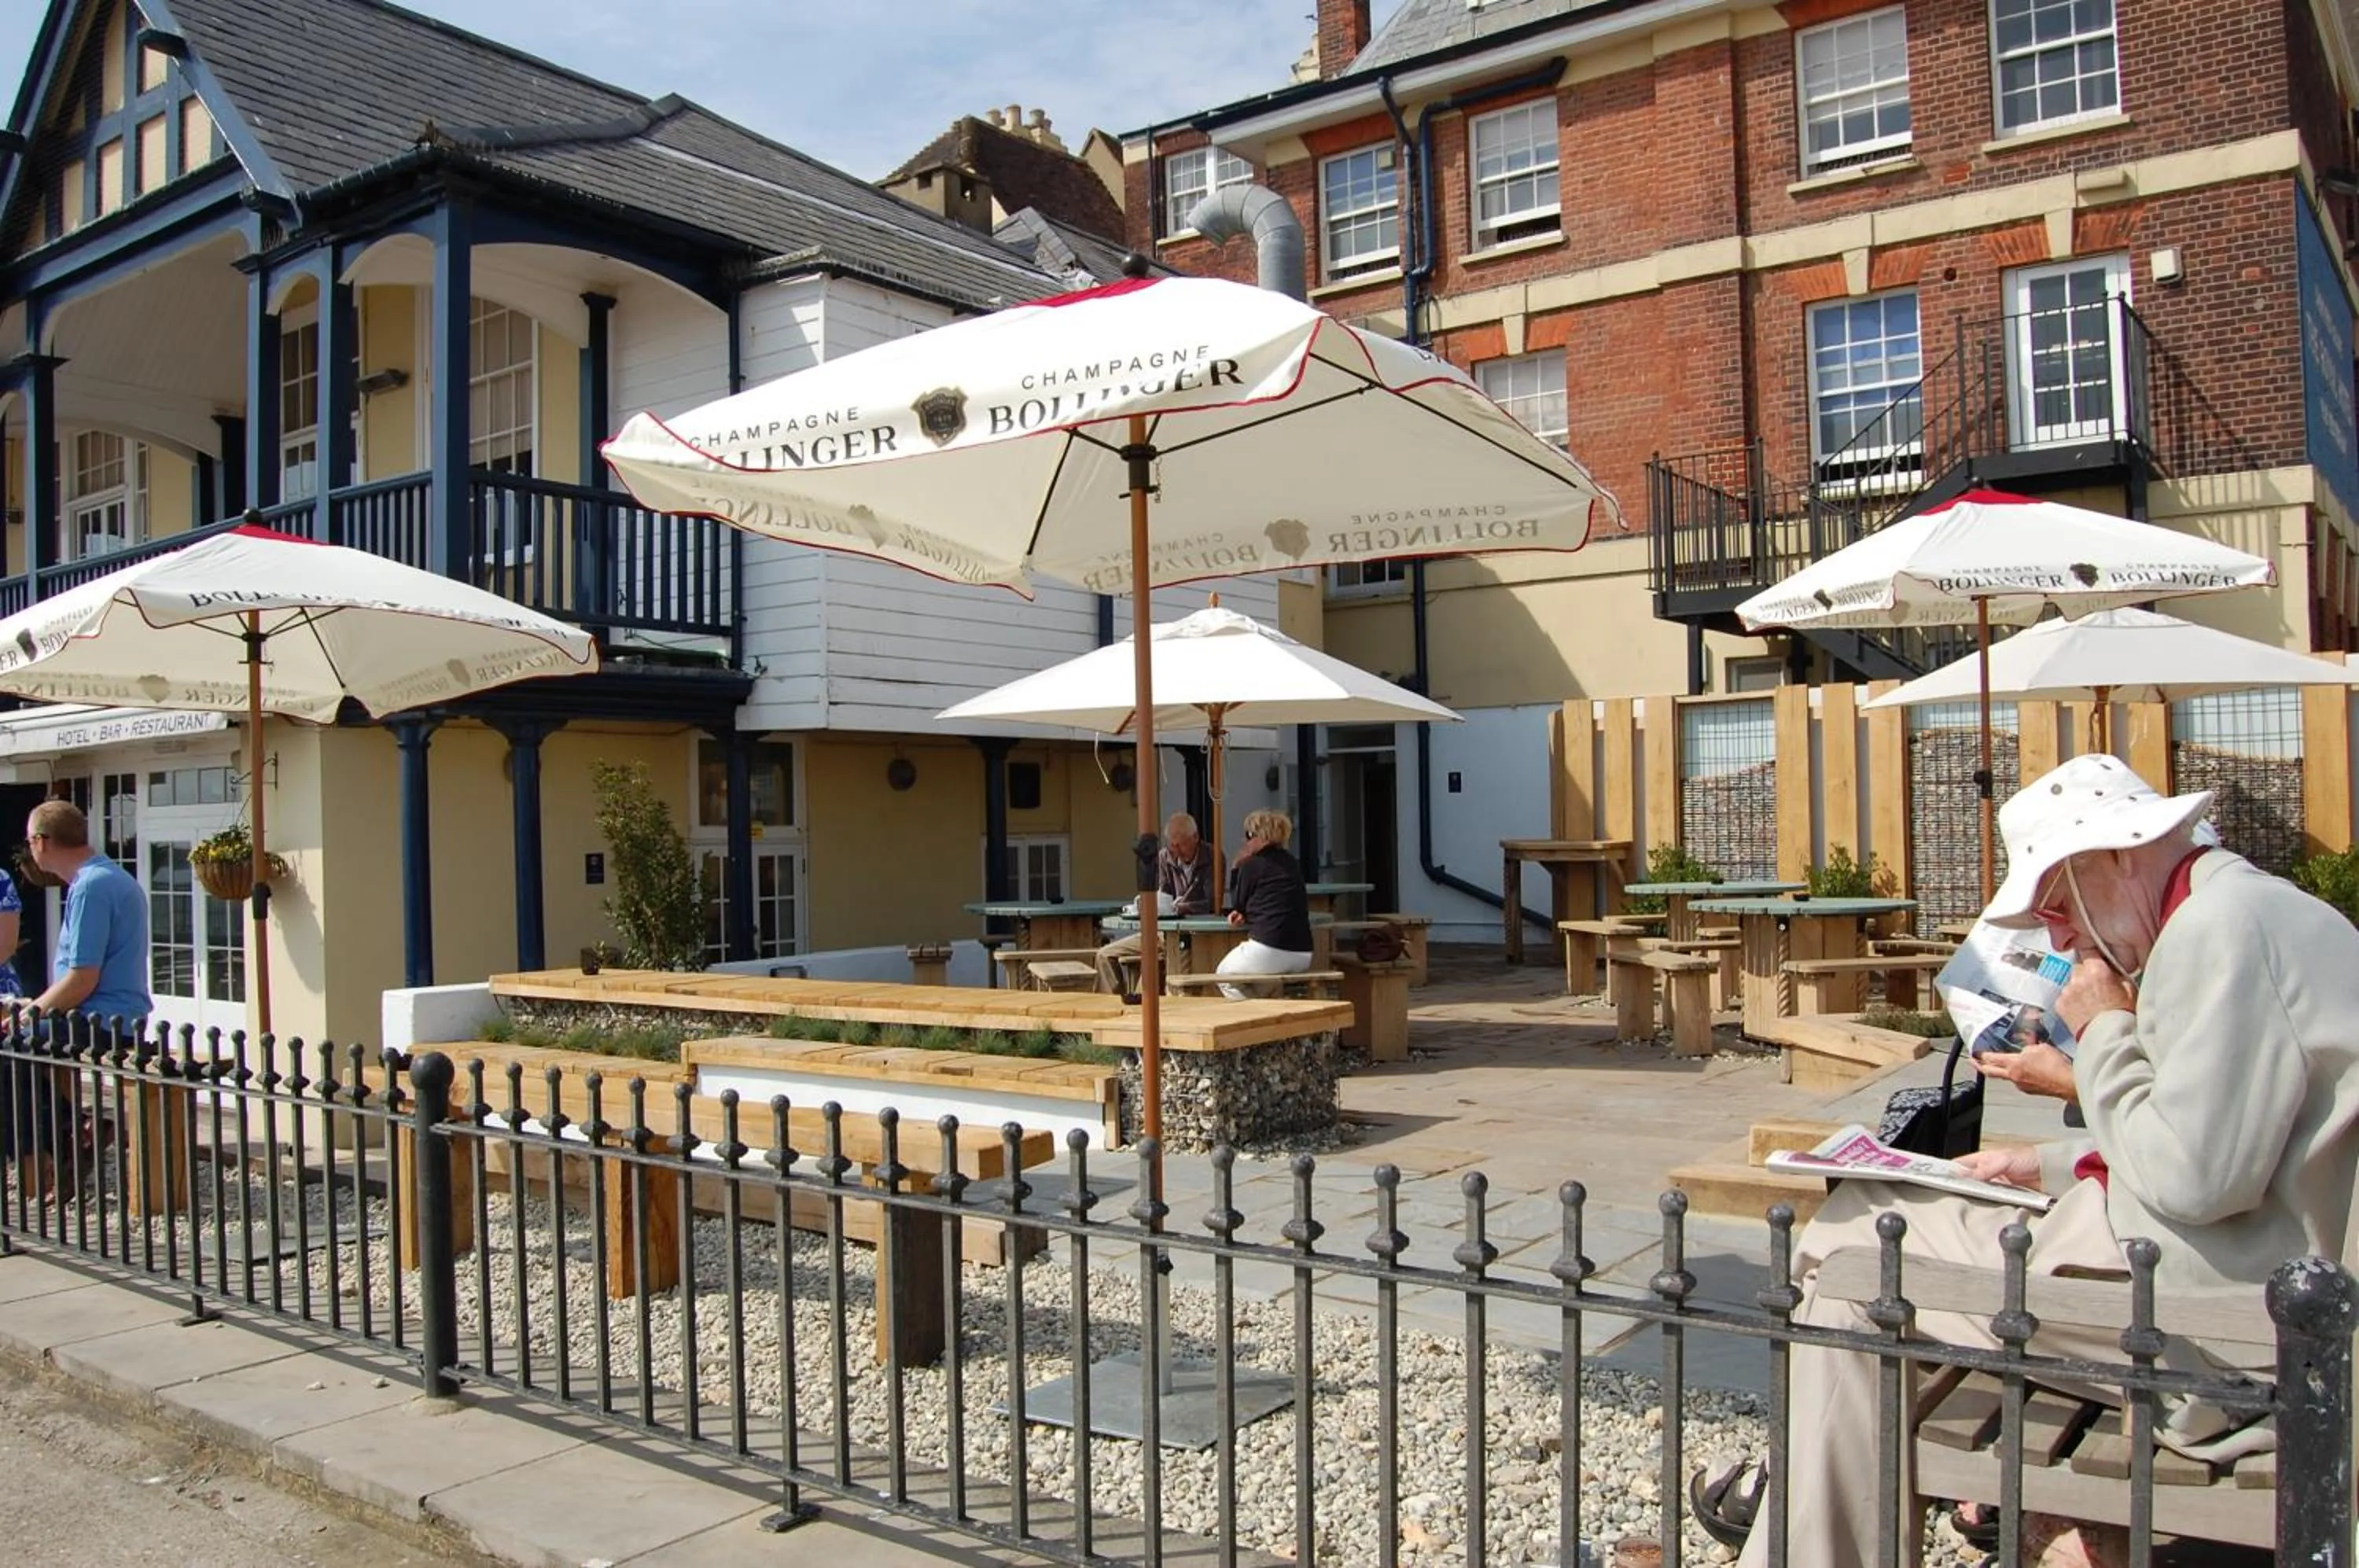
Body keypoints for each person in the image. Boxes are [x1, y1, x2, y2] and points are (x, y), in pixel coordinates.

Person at [1702, 754, 2359, 1568]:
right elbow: (2217, 1136)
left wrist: (2106, 1029)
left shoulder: (2219, 930)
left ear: (2115, 854)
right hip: (2249, 1267)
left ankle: (1795, 1501)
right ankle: (1797, 1496)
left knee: (1852, 1255)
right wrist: (2046, 1162)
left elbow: (2198, 1176)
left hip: (2230, 1317)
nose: (2058, 935)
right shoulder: (2247, 910)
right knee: (1859, 1243)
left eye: (2056, 903)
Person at [26, 801, 149, 1030]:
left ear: (41, 842)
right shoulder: (108, 876)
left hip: (99, 1019)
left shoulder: (90, 886)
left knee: (11, 1041)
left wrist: (26, 1015)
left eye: (29, 841)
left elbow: (83, 979)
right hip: (115, 1017)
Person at [1095, 812, 1216, 994]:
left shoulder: (1212, 857)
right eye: (1173, 845)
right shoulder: (1164, 857)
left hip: (1192, 935)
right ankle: (1115, 1003)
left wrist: (1180, 907)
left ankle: (1138, 1004)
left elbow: (1211, 902)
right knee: (1104, 955)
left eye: (1182, 845)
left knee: (1149, 971)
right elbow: (1163, 895)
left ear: (1196, 838)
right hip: (1160, 933)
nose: (1177, 850)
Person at [1216, 808, 1316, 999]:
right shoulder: (1291, 862)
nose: (1245, 841)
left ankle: (1252, 1022)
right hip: (1303, 953)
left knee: (1223, 976)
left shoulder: (1252, 865)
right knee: (1262, 986)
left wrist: (1236, 867)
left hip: (1269, 948)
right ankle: (1266, 1015)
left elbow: (1238, 901)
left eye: (1248, 835)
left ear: (1261, 837)